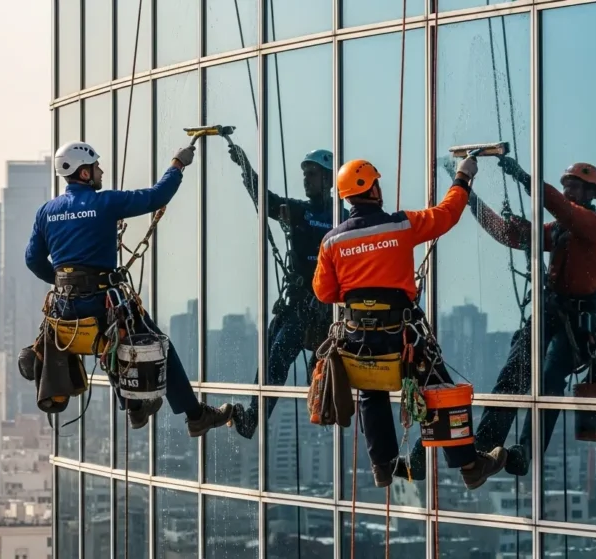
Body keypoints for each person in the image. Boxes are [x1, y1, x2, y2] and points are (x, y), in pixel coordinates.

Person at [311, 156, 507, 489]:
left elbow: (325, 292)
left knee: (371, 392)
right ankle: (469, 466)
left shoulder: (332, 241)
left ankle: (382, 466)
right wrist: (462, 177)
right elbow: (447, 214)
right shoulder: (401, 226)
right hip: (401, 336)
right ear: (372, 189)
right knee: (439, 389)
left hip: (359, 337)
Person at [25, 140, 234, 437]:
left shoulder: (47, 211)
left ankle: (135, 409)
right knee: (157, 345)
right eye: (96, 167)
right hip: (101, 299)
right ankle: (195, 415)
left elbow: (32, 259)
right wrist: (177, 165)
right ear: (84, 174)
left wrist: (63, 284)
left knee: (113, 345)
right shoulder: (105, 202)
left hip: (64, 307)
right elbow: (156, 196)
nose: (101, 171)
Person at [468, 157, 596, 476]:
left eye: (575, 187)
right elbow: (511, 234)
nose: (569, 193)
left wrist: (525, 178)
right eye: (566, 187)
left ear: (591, 194)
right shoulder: (561, 229)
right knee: (513, 374)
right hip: (549, 312)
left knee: (549, 379)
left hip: (577, 321)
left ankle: (525, 450)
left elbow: (564, 211)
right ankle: (483, 446)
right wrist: (471, 199)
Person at [226, 145, 343, 439]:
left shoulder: (342, 217)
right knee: (272, 352)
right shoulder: (300, 211)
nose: (306, 179)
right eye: (304, 174)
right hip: (302, 304)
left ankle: (262, 415)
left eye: (312, 174)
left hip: (324, 308)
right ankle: (254, 415)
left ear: (329, 180)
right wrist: (245, 166)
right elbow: (268, 201)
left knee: (286, 356)